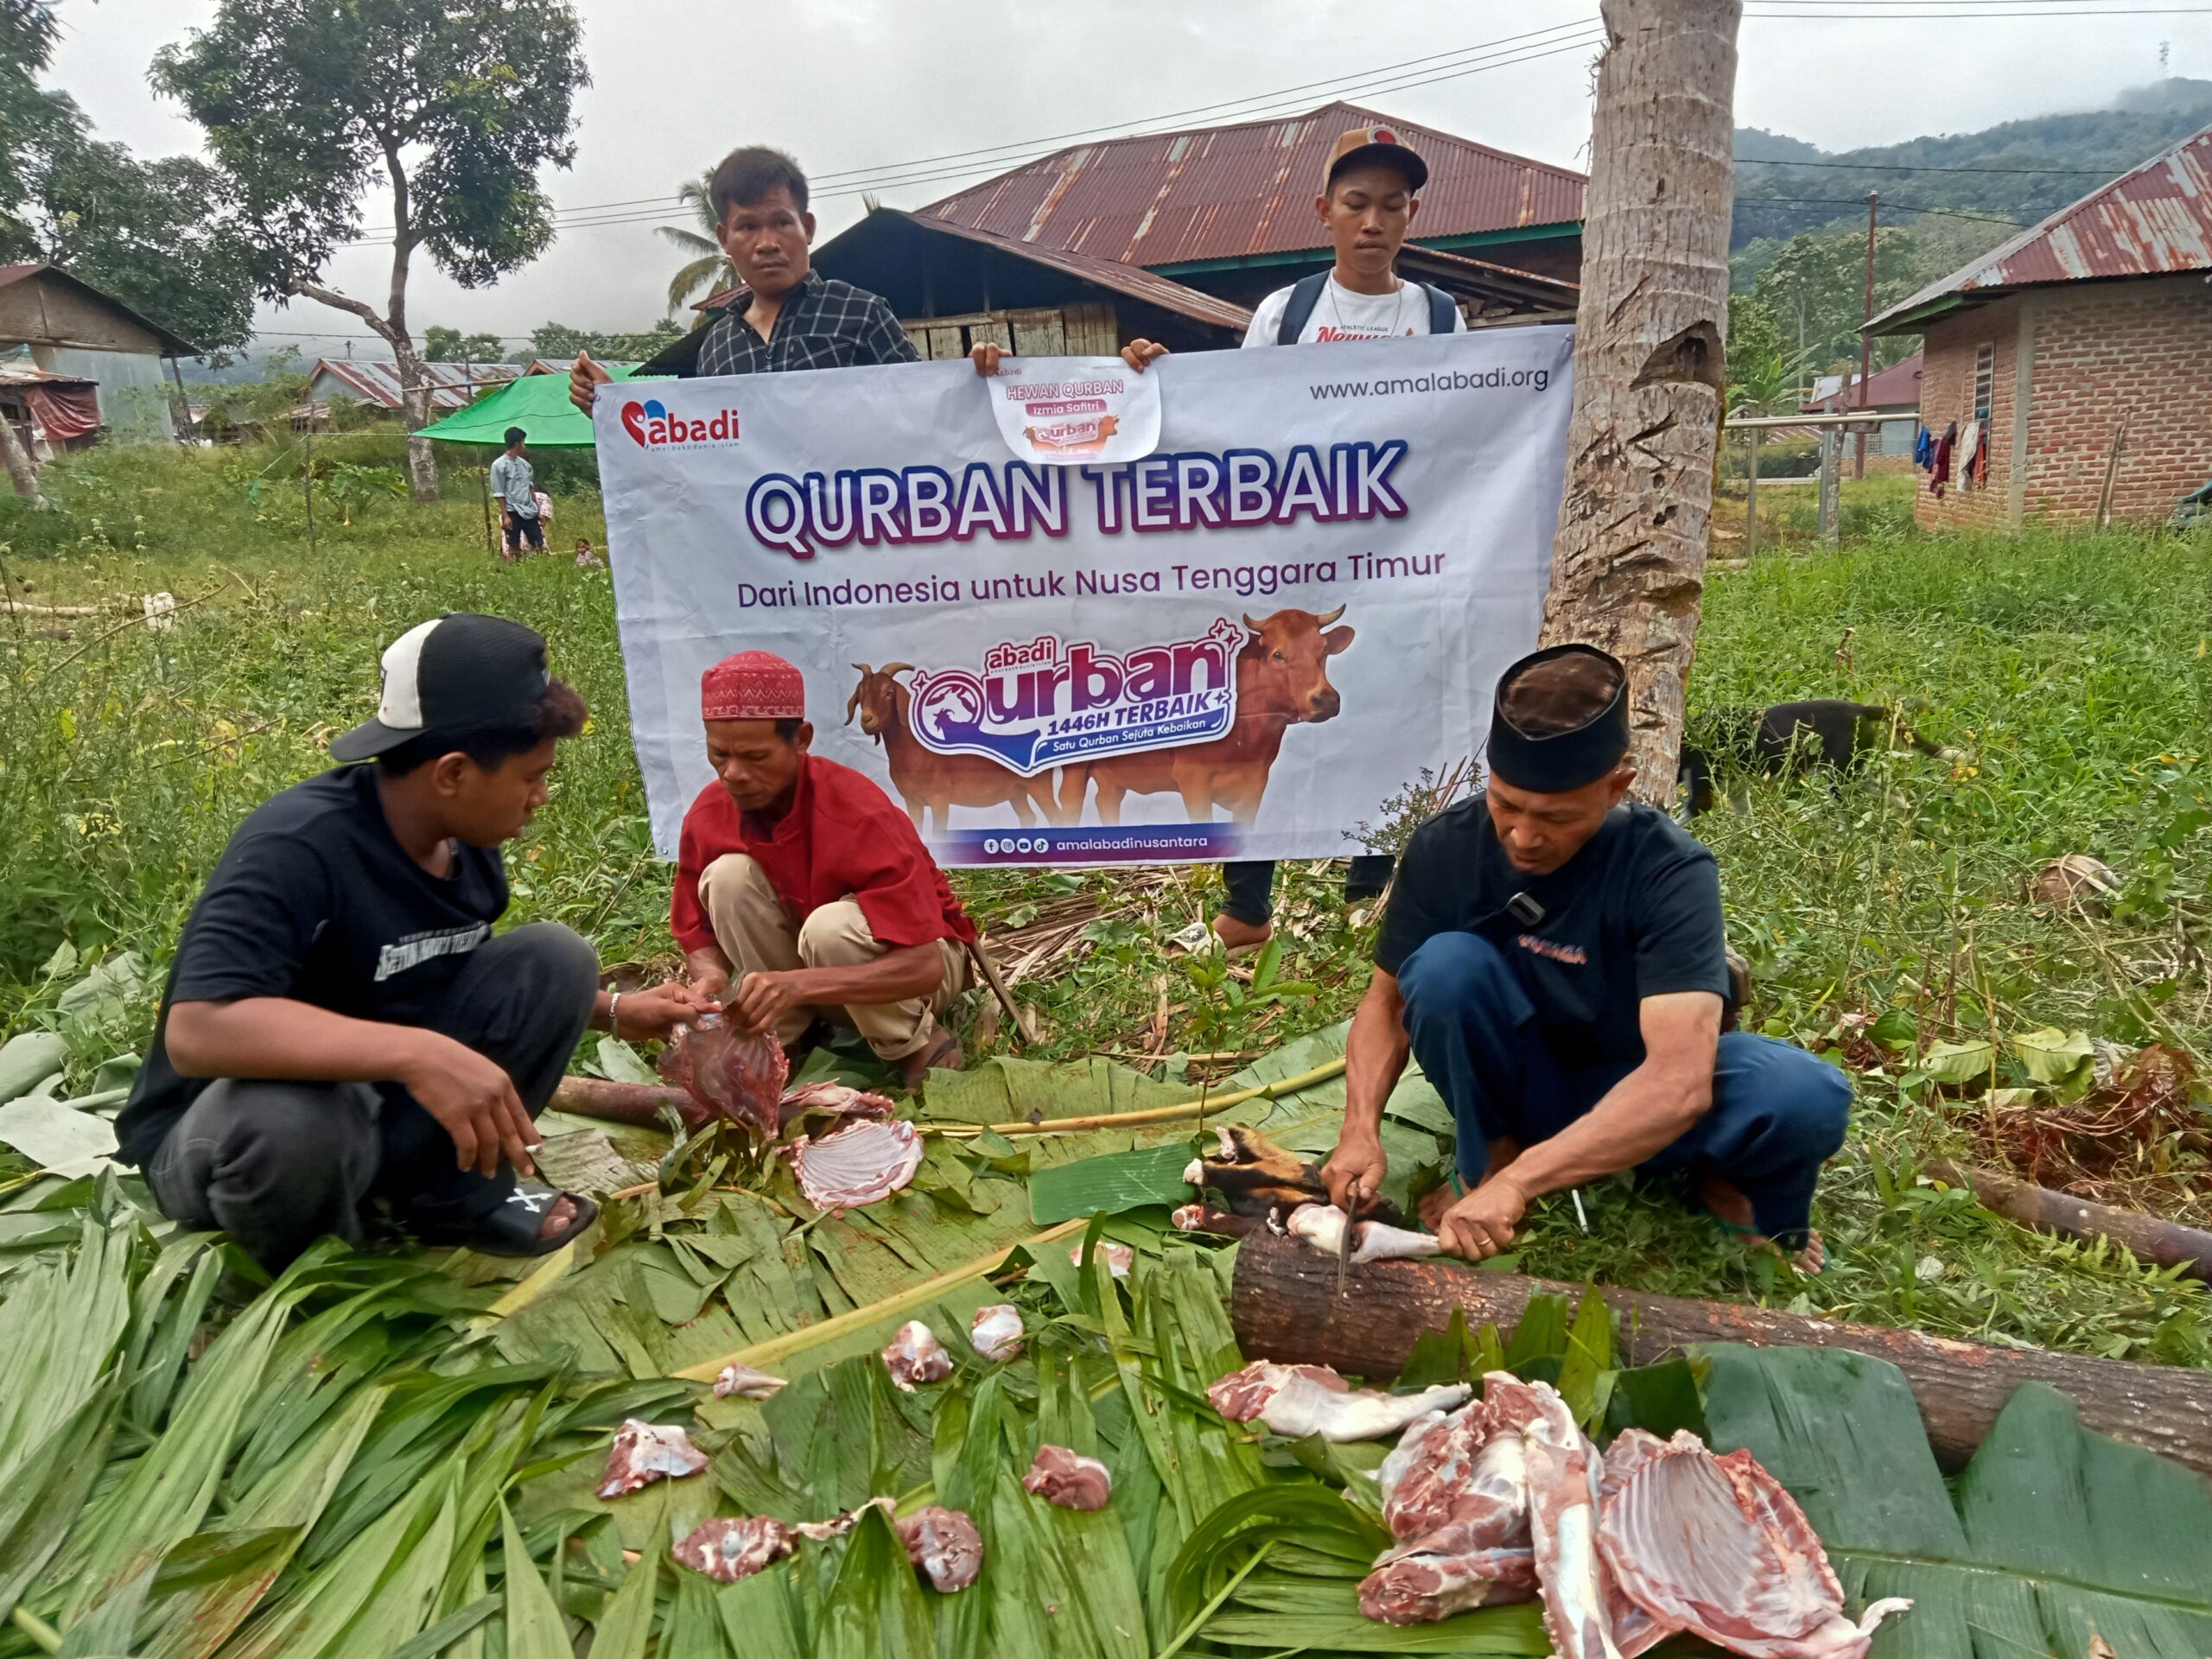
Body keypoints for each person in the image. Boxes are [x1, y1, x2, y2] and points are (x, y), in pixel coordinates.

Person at [981, 124, 1467, 950]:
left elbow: (1462, 429)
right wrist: (1159, 381)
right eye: (1356, 203)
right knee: (1257, 722)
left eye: (1392, 205)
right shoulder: (1287, 313)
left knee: (1392, 705)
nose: (1373, 221)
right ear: (1324, 212)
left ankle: (1372, 892)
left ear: (1412, 216)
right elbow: (1235, 417)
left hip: (1395, 552)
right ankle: (1249, 905)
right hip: (1290, 555)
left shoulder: (1442, 317)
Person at [115, 614, 716, 1269]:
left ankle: (445, 1200)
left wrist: (615, 1011)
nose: (542, 796)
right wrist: (418, 1055)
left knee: (556, 959)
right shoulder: (298, 847)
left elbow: (428, 970)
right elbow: (198, 1031)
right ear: (452, 773)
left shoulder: (462, 838)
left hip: (369, 1104)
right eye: (530, 776)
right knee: (294, 1120)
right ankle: (313, 1266)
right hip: (231, 1133)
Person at [1319, 645, 1851, 1274]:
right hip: (1522, 1077)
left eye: (1556, 817)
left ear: (1616, 787)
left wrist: (1522, 1186)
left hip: (1635, 1085)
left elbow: (1678, 1082)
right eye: (1506, 804)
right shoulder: (1447, 848)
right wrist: (1359, 1130)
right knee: (1442, 970)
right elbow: (1386, 1005)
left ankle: (1727, 1188)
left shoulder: (1668, 870)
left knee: (1804, 1094)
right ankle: (1493, 1153)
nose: (1523, 837)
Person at [671, 650, 976, 1089]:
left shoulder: (858, 813)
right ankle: (787, 1037)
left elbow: (924, 966)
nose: (733, 773)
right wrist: (712, 977)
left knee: (829, 930)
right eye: (719, 754)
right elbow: (696, 931)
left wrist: (799, 985)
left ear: (801, 739)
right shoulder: (709, 813)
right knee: (726, 878)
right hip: (822, 983)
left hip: (918, 979)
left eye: (755, 757)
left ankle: (917, 1042)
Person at [569, 146, 915, 410]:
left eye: (781, 222)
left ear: (807, 228)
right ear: (724, 238)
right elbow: (699, 451)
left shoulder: (861, 313)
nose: (767, 244)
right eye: (748, 227)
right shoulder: (716, 346)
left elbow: (923, 412)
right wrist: (610, 405)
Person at [489, 428, 543, 558]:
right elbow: (499, 492)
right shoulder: (499, 465)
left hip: (529, 509)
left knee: (538, 543)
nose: (524, 445)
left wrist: (537, 509)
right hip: (512, 510)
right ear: (517, 443)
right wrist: (505, 516)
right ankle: (516, 566)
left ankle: (541, 565)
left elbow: (530, 488)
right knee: (513, 545)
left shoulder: (525, 465)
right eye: (523, 442)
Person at [1930, 420, 1957, 500]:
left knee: (1940, 477)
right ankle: (1940, 489)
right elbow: (1939, 459)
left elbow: (1939, 459)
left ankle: (1940, 488)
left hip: (1941, 467)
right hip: (1942, 467)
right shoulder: (1943, 443)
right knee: (1940, 477)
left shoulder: (1943, 443)